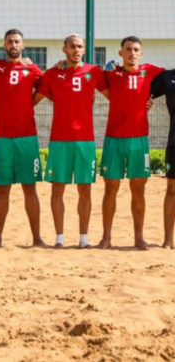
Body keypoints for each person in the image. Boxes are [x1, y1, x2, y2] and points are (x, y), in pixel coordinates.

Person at [33, 34, 108, 248]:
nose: (76, 50)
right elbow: (33, 100)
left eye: (80, 46)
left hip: (85, 141)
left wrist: (145, 102)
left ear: (84, 50)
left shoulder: (94, 72)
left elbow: (117, 95)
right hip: (59, 140)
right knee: (58, 188)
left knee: (85, 189)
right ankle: (59, 238)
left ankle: (84, 239)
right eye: (72, 46)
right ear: (64, 49)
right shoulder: (52, 74)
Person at [0, 29, 46, 248]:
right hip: (2, 137)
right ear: (4, 45)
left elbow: (46, 87)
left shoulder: (32, 69)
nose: (13, 44)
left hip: (27, 137)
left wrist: (30, 103)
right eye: (10, 41)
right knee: (3, 188)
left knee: (30, 187)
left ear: (23, 45)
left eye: (17, 41)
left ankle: (37, 238)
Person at [99, 36, 164, 250]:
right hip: (113, 139)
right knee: (110, 189)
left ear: (141, 53)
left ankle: (139, 237)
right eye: (128, 49)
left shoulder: (150, 71)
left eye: (136, 49)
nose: (132, 53)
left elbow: (168, 78)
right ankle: (106, 238)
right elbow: (87, 72)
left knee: (138, 190)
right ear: (120, 53)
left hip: (139, 140)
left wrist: (151, 98)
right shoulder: (110, 72)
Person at [151, 64, 175, 249]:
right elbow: (140, 88)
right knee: (172, 190)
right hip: (174, 142)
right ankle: (168, 240)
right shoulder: (167, 77)